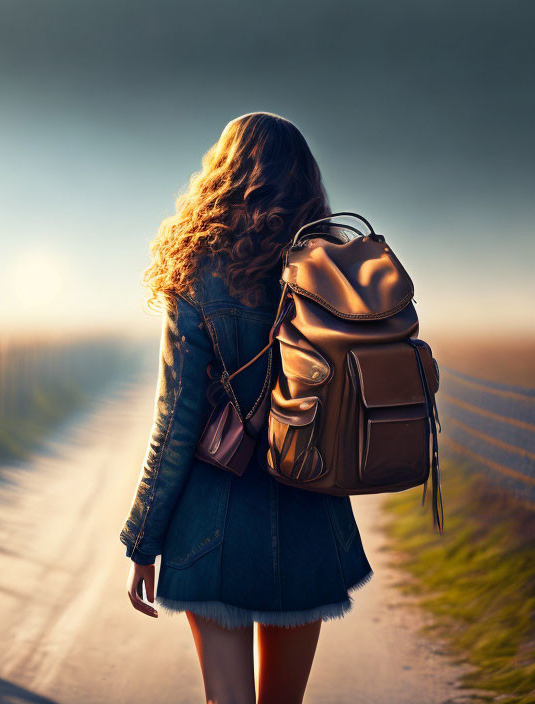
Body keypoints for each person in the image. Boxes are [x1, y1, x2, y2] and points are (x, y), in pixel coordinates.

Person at [119, 112, 373, 704]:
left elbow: (176, 423)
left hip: (212, 523)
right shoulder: (337, 275)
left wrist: (143, 540)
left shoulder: (195, 275)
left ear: (223, 178)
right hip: (311, 516)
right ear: (306, 183)